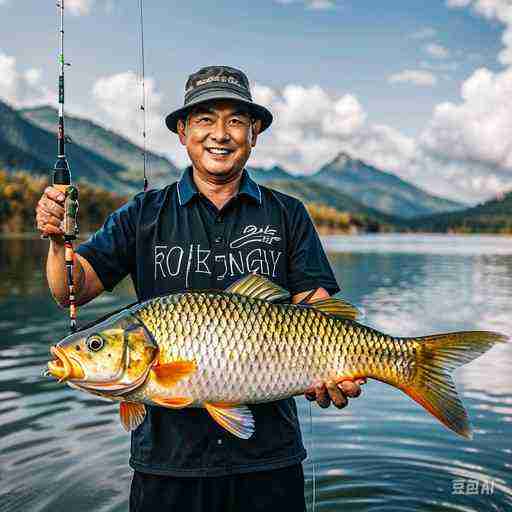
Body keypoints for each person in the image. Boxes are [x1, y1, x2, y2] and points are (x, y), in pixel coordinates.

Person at [36, 66, 366, 512]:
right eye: (205, 119)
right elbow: (70, 291)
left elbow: (322, 316)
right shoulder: (143, 214)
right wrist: (59, 242)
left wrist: (336, 372)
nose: (220, 134)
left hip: (270, 464)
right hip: (166, 468)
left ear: (255, 133)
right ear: (182, 131)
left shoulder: (288, 214)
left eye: (235, 120)